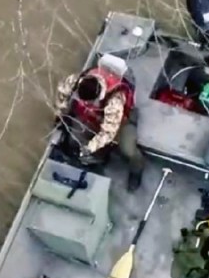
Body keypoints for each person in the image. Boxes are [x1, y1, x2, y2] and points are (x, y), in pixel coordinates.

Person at [55, 56, 146, 192]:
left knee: (128, 150)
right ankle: (95, 158)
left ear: (99, 96)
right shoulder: (76, 80)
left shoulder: (114, 101)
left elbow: (108, 133)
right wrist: (60, 114)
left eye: (89, 102)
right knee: (74, 137)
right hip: (92, 116)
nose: (86, 103)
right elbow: (62, 93)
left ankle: (136, 171)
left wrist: (90, 148)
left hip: (120, 121)